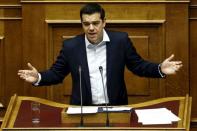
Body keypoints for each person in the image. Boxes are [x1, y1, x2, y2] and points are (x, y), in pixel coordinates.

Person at [18, 3, 182, 106]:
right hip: (82, 110)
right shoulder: (71, 46)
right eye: (86, 24)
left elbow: (138, 66)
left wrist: (160, 68)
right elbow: (57, 73)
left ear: (104, 22)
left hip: (116, 107)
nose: (91, 28)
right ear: (82, 24)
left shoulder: (120, 41)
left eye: (95, 23)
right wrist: (38, 77)